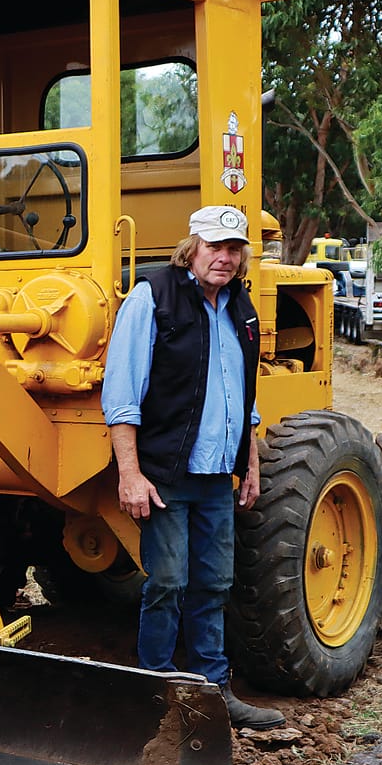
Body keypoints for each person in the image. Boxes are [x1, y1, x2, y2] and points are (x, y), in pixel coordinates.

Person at [102, 204, 286, 731]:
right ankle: (155, 691)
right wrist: (129, 474)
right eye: (215, 247)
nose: (224, 258)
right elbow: (121, 395)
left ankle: (215, 690)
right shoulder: (152, 297)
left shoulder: (241, 308)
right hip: (164, 474)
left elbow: (244, 396)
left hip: (215, 478)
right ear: (192, 247)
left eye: (234, 249)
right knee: (166, 582)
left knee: (214, 583)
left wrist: (248, 462)